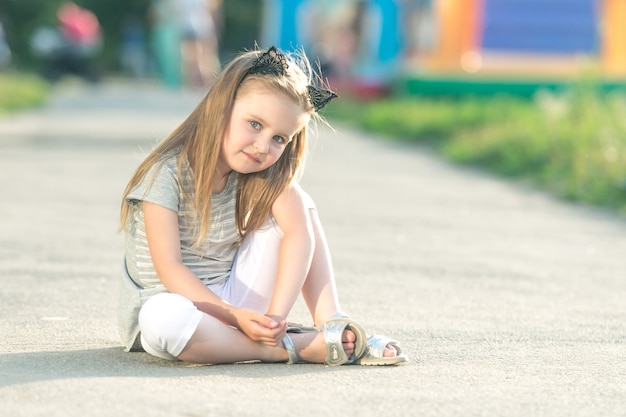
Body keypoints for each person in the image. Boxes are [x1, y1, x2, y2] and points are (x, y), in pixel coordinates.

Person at [118, 46, 407, 366]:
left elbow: (298, 234)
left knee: (298, 203)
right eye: (255, 124)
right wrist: (235, 316)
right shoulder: (165, 175)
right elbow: (170, 269)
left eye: (279, 139)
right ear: (221, 107)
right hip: (180, 308)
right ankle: (292, 347)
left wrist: (273, 319)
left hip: (240, 311)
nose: (262, 146)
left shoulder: (258, 178)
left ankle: (330, 323)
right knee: (163, 318)